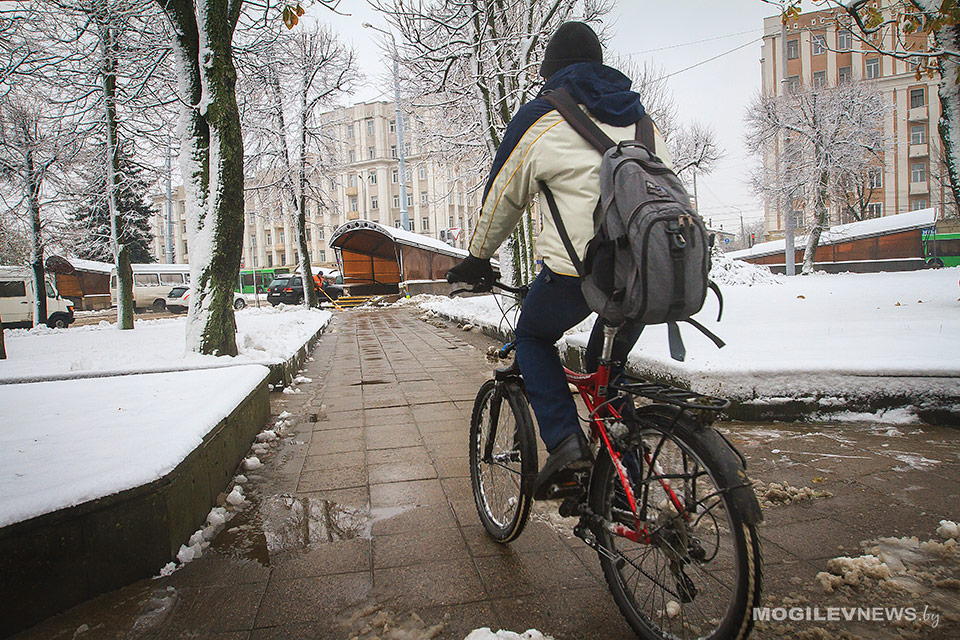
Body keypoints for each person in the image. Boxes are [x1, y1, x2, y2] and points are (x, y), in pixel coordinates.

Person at [446, 21, 672, 497]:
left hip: (579, 274)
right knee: (604, 366)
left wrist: (477, 258)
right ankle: (629, 485)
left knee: (532, 336)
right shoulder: (642, 119)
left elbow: (502, 197)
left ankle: (567, 446)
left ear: (551, 72)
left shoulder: (541, 116)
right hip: (648, 273)